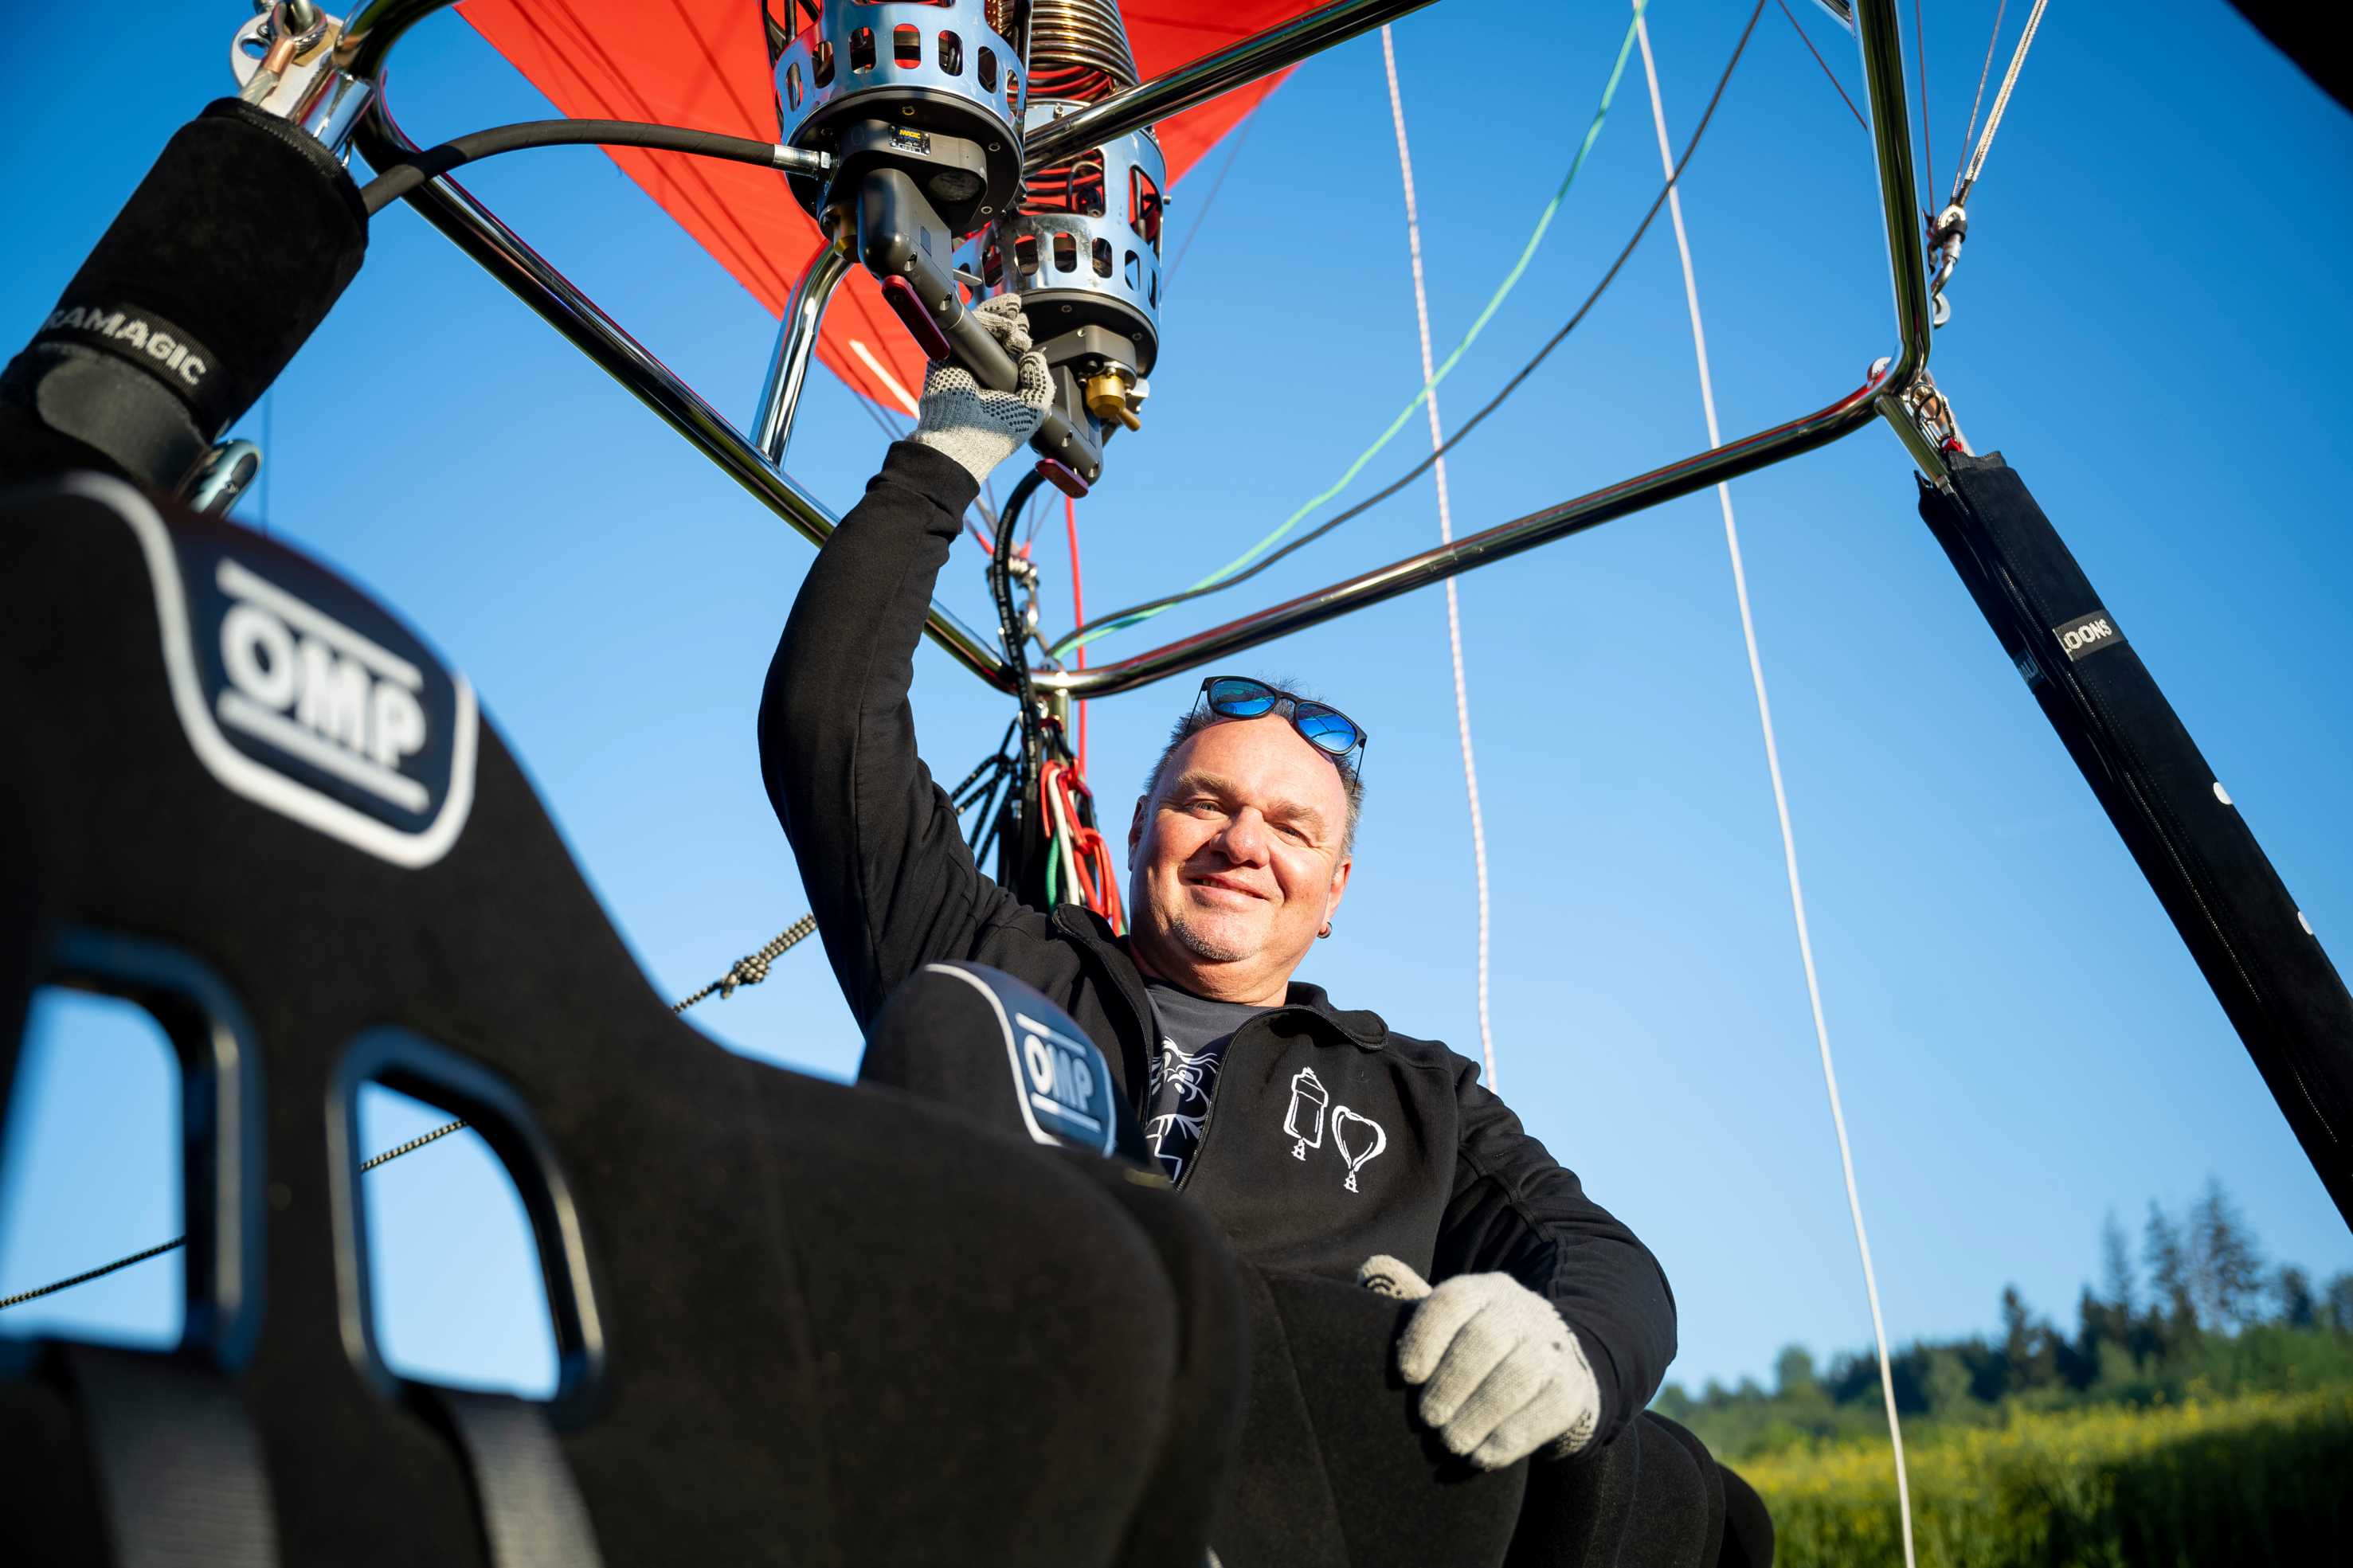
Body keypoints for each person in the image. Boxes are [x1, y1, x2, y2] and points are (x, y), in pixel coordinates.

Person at [761, 297, 1772, 1566]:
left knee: (1679, 1491)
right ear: (1140, 829)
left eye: (1292, 828)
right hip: (1004, 1461)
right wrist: (945, 457)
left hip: (1286, 1493)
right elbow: (827, 724)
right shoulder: (996, 965)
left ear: (1334, 888)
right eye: (1208, 802)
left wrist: (1571, 1351)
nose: (1245, 841)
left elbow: (1604, 1258)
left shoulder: (1418, 1100)